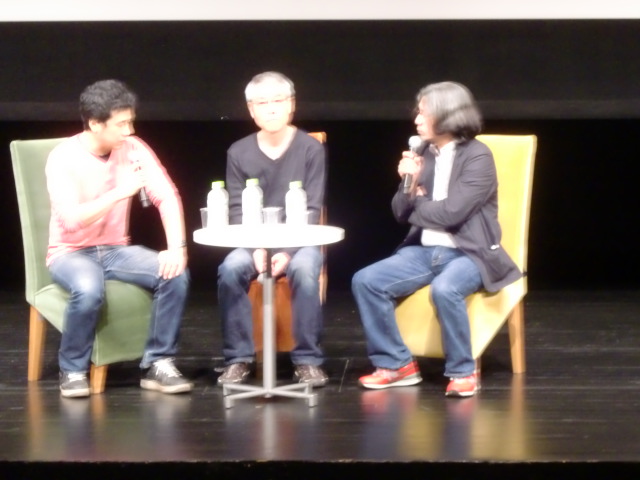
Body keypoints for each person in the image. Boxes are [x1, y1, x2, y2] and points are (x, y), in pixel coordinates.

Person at [352, 81, 521, 397]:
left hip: (470, 253)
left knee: (445, 288)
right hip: (424, 251)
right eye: (417, 112)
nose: (417, 120)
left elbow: (452, 214)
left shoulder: (477, 156)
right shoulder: (422, 153)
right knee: (366, 280)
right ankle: (396, 364)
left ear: (449, 114)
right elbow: (399, 213)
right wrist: (409, 184)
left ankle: (463, 372)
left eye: (424, 113)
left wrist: (419, 200)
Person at [46, 79, 193, 398]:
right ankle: (72, 369)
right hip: (70, 253)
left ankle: (158, 362)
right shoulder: (63, 157)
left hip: (114, 250)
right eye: (121, 124)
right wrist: (120, 192)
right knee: (88, 288)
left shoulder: (134, 147)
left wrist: (177, 248)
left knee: (174, 273)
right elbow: (71, 221)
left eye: (131, 121)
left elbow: (166, 195)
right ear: (95, 123)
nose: (130, 131)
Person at [217, 71, 328, 387]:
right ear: (251, 110)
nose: (271, 109)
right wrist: (257, 249)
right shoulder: (238, 152)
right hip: (253, 242)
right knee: (230, 269)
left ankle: (307, 360)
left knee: (304, 269)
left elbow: (313, 207)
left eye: (278, 101)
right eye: (262, 103)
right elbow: (237, 209)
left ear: (291, 104)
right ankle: (238, 358)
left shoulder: (310, 148)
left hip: (300, 241)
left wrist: (286, 252)